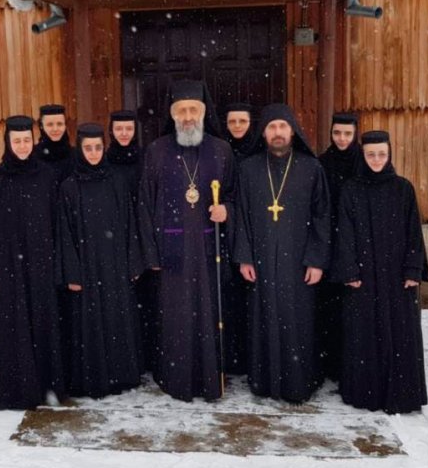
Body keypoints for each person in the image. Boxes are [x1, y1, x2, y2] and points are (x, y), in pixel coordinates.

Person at [138, 80, 237, 401]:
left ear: (204, 113)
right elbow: (144, 204)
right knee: (175, 317)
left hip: (209, 251)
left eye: (194, 109)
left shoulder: (221, 150)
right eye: (182, 110)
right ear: (173, 115)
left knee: (209, 314)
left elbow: (236, 197)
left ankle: (210, 377)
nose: (189, 116)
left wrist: (227, 210)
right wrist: (151, 254)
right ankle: (176, 378)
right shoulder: (157, 151)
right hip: (172, 253)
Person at [233, 104, 330, 403]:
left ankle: (300, 381)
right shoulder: (248, 169)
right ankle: (264, 381)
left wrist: (316, 259)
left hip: (298, 260)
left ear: (292, 131)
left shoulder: (311, 168)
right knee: (263, 317)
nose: (277, 133)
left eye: (282, 127)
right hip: (260, 258)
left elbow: (323, 216)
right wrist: (244, 256)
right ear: (263, 133)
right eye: (272, 127)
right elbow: (241, 216)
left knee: (297, 320)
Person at [333, 130, 428, 414]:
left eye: (381, 154)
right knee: (364, 334)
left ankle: (402, 394)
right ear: (363, 156)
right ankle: (366, 393)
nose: (376, 159)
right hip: (363, 277)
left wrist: (413, 268)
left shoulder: (403, 188)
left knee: (400, 334)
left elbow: (414, 232)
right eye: (371, 154)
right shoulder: (351, 189)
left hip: (397, 276)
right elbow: (345, 233)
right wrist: (349, 271)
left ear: (389, 155)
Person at [0, 115, 65, 410]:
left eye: (27, 140)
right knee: (10, 324)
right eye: (17, 141)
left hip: (41, 262)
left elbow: (58, 222)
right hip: (7, 263)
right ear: (8, 143)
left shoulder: (47, 176)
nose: (23, 146)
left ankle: (44, 386)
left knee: (42, 321)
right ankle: (12, 389)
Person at [57, 124, 144, 398]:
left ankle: (121, 375)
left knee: (117, 319)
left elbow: (130, 223)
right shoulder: (70, 187)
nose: (93, 153)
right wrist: (72, 273)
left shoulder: (117, 180)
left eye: (97, 147)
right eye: (88, 148)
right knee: (89, 323)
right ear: (80, 150)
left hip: (115, 265)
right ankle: (92, 379)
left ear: (103, 148)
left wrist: (133, 262)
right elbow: (65, 234)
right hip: (86, 267)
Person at [106, 108, 155, 373]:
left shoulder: (146, 158)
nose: (124, 134)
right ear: (111, 131)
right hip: (116, 237)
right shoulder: (104, 161)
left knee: (147, 299)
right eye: (118, 129)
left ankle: (147, 356)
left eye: (128, 129)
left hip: (145, 231)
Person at [315, 112, 361, 382]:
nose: (341, 139)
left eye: (347, 134)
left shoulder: (363, 163)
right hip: (330, 244)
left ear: (355, 134)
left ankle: (351, 365)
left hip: (356, 245)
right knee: (328, 308)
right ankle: (328, 364)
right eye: (337, 133)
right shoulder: (322, 164)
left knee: (353, 308)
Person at [220, 102, 262, 376]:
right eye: (232, 121)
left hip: (253, 234)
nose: (237, 126)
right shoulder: (221, 153)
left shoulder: (259, 153)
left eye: (242, 121)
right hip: (224, 235)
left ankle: (251, 357)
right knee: (229, 299)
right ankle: (230, 357)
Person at [36, 103, 74, 184]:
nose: (55, 129)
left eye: (59, 124)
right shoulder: (33, 156)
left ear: (65, 126)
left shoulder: (76, 156)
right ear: (41, 126)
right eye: (50, 124)